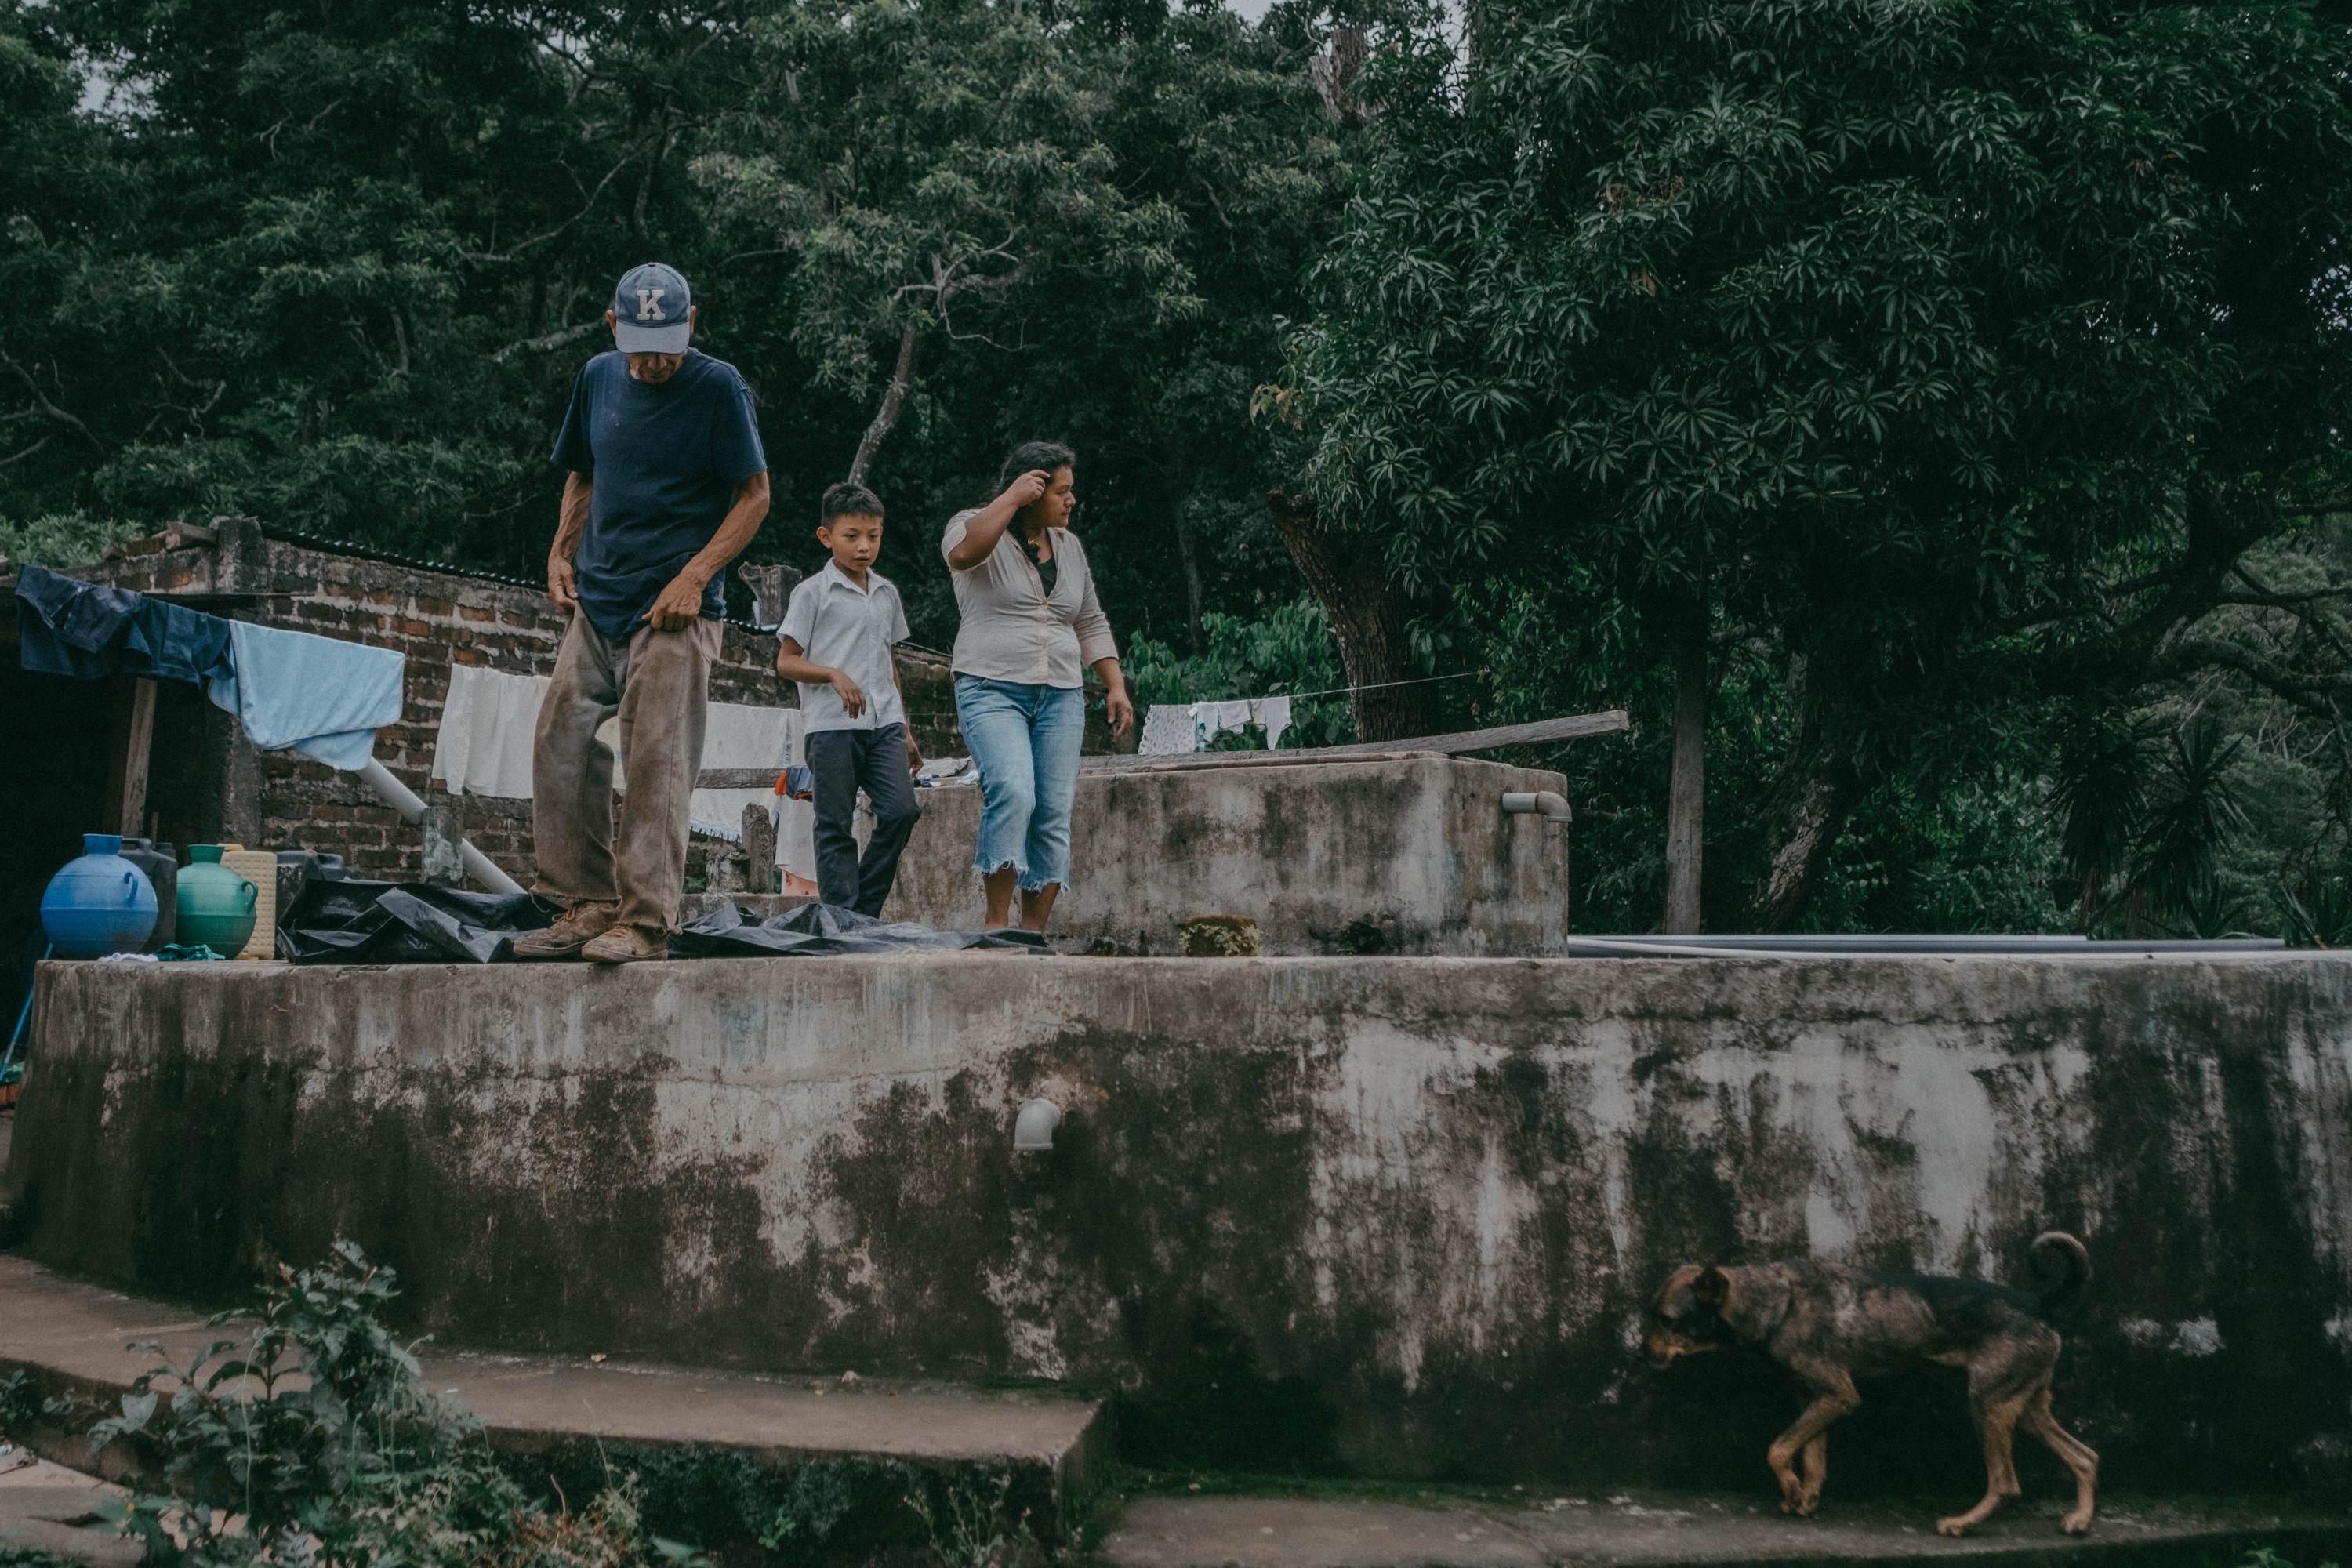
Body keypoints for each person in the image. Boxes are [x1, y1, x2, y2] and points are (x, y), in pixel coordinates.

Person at [517, 262, 771, 964]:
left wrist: (695, 577)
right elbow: (584, 471)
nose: (654, 360)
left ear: (690, 324)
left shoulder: (718, 388)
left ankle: (647, 921)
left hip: (674, 611)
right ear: (613, 328)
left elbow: (754, 496)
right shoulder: (599, 376)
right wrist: (560, 552)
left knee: (657, 756)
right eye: (639, 344)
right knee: (559, 738)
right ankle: (587, 901)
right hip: (598, 599)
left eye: (666, 343)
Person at [942, 441, 1135, 932]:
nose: (1072, 501)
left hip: (1062, 694)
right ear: (1032, 490)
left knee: (1052, 810)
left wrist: (1115, 685)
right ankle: (995, 926)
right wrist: (1010, 499)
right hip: (991, 688)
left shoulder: (1070, 547)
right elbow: (964, 554)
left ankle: (1033, 935)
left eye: (1072, 491)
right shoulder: (973, 522)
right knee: (1012, 789)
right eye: (1062, 492)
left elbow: (1089, 620)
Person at [775, 482, 924, 916]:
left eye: (873, 536)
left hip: (884, 724)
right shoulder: (812, 593)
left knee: (901, 811)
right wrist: (832, 674)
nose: (864, 547)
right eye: (851, 536)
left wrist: (907, 729)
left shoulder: (886, 592)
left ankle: (862, 912)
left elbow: (887, 659)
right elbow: (786, 661)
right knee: (834, 825)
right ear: (827, 537)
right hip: (831, 726)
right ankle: (842, 918)